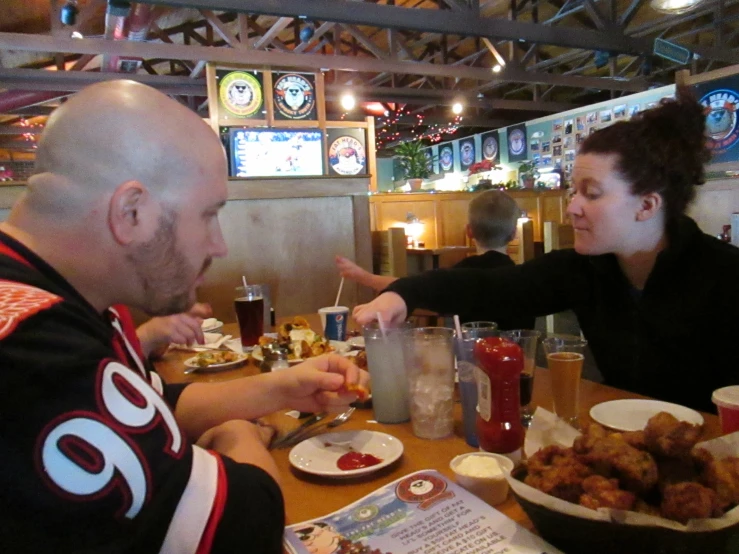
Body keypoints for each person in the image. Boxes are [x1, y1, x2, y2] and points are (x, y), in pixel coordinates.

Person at [0, 80, 368, 553]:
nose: (219, 245)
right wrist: (235, 433)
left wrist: (281, 387)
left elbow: (149, 405)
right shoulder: (32, 355)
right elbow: (245, 523)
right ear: (131, 211)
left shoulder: (60, 294)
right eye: (208, 215)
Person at [354, 87, 739, 414]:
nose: (572, 207)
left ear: (647, 206)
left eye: (591, 193)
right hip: (621, 442)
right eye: (574, 191)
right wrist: (403, 294)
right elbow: (490, 288)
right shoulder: (585, 269)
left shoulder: (726, 277)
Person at [336, 190, 535, 330]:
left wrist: (363, 277)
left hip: (473, 364)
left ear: (469, 231)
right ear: (512, 235)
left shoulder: (462, 275)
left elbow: (413, 291)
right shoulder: (522, 278)